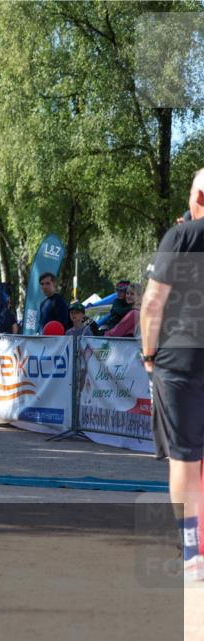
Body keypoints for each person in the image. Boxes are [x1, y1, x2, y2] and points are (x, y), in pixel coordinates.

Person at [140, 167, 204, 582]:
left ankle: (192, 554)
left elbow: (151, 303)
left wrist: (148, 355)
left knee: (184, 456)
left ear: (196, 197)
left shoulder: (180, 237)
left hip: (181, 357)